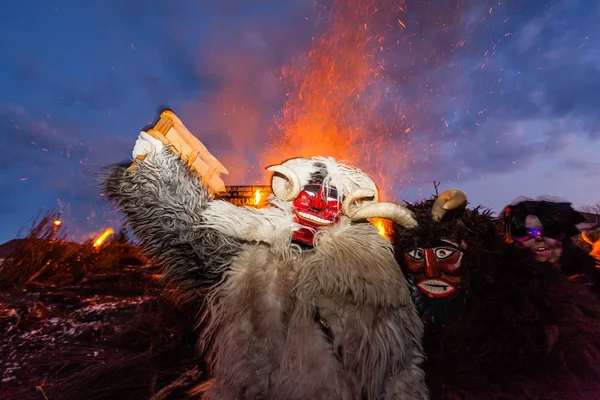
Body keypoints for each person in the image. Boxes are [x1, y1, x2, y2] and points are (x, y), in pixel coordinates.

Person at [101, 117, 428, 399]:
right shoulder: (257, 256)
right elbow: (193, 236)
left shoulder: (373, 276)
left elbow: (400, 363)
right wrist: (158, 169)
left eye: (331, 196)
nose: (317, 205)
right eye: (310, 193)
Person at [392, 189, 600, 399]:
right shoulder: (502, 291)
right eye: (524, 232)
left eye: (548, 231)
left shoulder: (587, 284)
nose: (537, 239)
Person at [500, 197, 599, 291]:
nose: (538, 238)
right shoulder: (504, 289)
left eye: (550, 230)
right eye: (524, 232)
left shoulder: (592, 275)